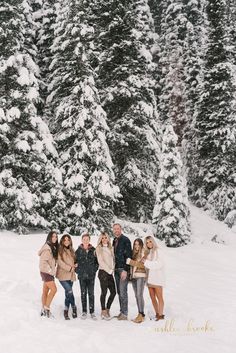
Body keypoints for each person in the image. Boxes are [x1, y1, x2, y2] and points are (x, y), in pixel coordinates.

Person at [75, 233, 98, 320]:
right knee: (83, 293)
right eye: (84, 239)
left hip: (91, 276)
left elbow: (97, 262)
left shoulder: (93, 250)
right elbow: (75, 263)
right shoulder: (78, 251)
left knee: (91, 294)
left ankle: (92, 312)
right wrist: (78, 271)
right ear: (82, 240)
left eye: (87, 239)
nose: (85, 241)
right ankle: (84, 311)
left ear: (89, 240)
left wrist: (94, 270)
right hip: (82, 276)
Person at [142, 236, 165, 321]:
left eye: (150, 241)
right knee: (152, 297)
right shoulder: (147, 253)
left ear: (153, 242)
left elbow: (159, 264)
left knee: (159, 297)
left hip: (157, 278)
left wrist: (146, 262)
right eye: (147, 242)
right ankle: (157, 313)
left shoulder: (158, 251)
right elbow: (145, 265)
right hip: (149, 278)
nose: (149, 244)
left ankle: (161, 315)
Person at [112, 223, 132, 320]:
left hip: (123, 270)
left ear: (121, 229)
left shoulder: (125, 240)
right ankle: (121, 312)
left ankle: (125, 313)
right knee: (119, 292)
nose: (116, 230)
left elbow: (129, 256)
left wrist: (125, 270)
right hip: (116, 269)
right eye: (114, 229)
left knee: (123, 291)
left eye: (118, 229)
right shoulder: (114, 240)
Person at [56, 234, 77, 320]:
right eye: (65, 240)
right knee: (69, 291)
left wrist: (76, 264)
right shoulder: (59, 250)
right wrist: (70, 268)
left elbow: (75, 260)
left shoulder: (72, 250)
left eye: (68, 240)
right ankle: (74, 307)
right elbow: (60, 263)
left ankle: (66, 309)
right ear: (62, 241)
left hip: (71, 275)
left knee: (67, 294)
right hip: (62, 274)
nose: (67, 241)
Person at [96, 232, 116, 320]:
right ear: (100, 239)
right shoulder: (99, 248)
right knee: (104, 292)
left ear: (108, 238)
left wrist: (112, 269)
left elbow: (113, 260)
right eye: (102, 238)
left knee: (113, 292)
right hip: (103, 272)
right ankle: (103, 310)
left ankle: (107, 309)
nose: (104, 239)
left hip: (110, 273)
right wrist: (109, 270)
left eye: (106, 237)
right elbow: (100, 261)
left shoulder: (111, 248)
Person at [38, 231, 59, 317]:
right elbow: (42, 263)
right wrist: (50, 271)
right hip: (46, 272)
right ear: (49, 237)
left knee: (45, 291)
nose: (54, 238)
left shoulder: (52, 247)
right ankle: (47, 308)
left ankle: (43, 309)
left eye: (56, 237)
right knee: (54, 289)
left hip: (47, 272)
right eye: (53, 236)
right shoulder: (47, 248)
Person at [126, 238, 146, 323]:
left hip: (141, 276)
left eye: (138, 244)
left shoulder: (143, 253)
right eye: (135, 244)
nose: (136, 246)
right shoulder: (134, 253)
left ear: (141, 245)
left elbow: (142, 265)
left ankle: (141, 314)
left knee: (139, 295)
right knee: (137, 295)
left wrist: (131, 262)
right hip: (134, 277)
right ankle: (140, 314)